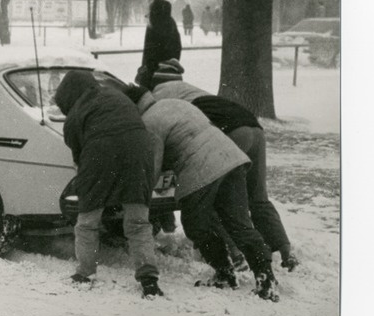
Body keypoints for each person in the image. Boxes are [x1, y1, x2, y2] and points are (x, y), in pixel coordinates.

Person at [125, 85, 280, 301]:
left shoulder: (150, 123)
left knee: (196, 225)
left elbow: (154, 167)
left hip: (202, 170)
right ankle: (266, 277)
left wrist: (139, 195)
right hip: (232, 158)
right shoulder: (175, 104)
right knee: (239, 223)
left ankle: (224, 272)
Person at [150, 68, 298, 272]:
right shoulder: (190, 89)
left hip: (231, 132)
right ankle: (285, 250)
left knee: (216, 194)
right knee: (258, 197)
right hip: (254, 128)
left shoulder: (159, 98)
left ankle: (234, 253)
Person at [54, 70, 164, 299]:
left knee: (87, 221)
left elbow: (78, 155)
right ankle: (149, 280)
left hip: (99, 154)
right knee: (137, 222)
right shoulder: (116, 95)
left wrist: (90, 186)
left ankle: (85, 273)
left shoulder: (76, 114)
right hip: (139, 151)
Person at [135, 0, 182, 89]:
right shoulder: (170, 22)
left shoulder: (153, 24)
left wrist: (147, 67)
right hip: (171, 70)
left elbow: (149, 51)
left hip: (154, 72)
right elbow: (177, 47)